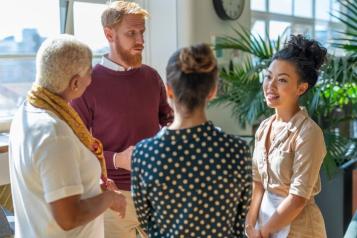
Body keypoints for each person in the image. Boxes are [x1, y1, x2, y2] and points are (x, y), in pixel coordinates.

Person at [70, 1, 173, 237]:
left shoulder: (151, 76)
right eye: (131, 33)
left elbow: (168, 120)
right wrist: (117, 160)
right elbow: (76, 150)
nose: (140, 41)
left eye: (142, 32)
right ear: (109, 34)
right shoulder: (86, 84)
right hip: (112, 198)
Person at [8, 35, 126, 238]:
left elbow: (50, 178)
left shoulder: (27, 110)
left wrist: (92, 187)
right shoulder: (55, 134)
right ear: (74, 83)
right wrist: (108, 199)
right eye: (90, 73)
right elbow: (69, 217)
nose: (91, 81)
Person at [131, 43, 252, 237]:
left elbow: (146, 222)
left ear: (169, 91)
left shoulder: (144, 153)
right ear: (212, 91)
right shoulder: (237, 150)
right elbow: (239, 221)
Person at [245, 35, 328, 238]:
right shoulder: (264, 128)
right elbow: (258, 182)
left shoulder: (308, 133)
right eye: (268, 76)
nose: (270, 86)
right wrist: (250, 224)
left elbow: (298, 198)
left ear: (301, 88)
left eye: (282, 80)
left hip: (300, 230)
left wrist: (263, 232)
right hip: (266, 226)